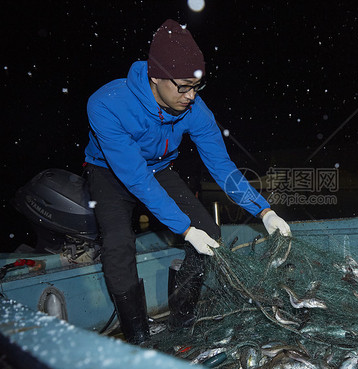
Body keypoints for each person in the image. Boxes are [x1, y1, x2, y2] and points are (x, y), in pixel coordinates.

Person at [84, 19, 291, 345]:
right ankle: (137, 336)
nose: (191, 96)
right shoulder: (106, 104)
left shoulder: (194, 108)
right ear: (155, 78)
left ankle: (182, 322)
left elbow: (222, 167)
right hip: (108, 172)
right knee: (118, 244)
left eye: (197, 85)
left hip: (159, 169)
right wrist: (184, 229)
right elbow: (136, 179)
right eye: (183, 86)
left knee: (209, 231)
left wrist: (264, 211)